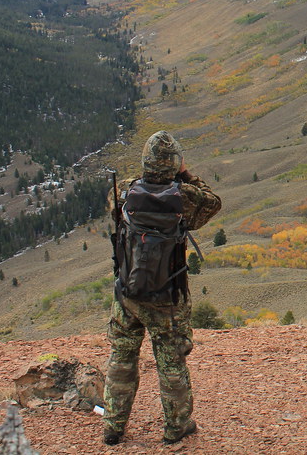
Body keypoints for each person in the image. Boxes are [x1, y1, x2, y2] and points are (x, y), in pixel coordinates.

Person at [102, 131, 221, 446]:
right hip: (167, 296)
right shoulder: (184, 197)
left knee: (122, 355)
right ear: (174, 165)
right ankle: (176, 427)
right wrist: (186, 174)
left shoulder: (124, 191)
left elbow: (115, 217)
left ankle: (113, 426)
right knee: (171, 362)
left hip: (127, 291)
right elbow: (213, 202)